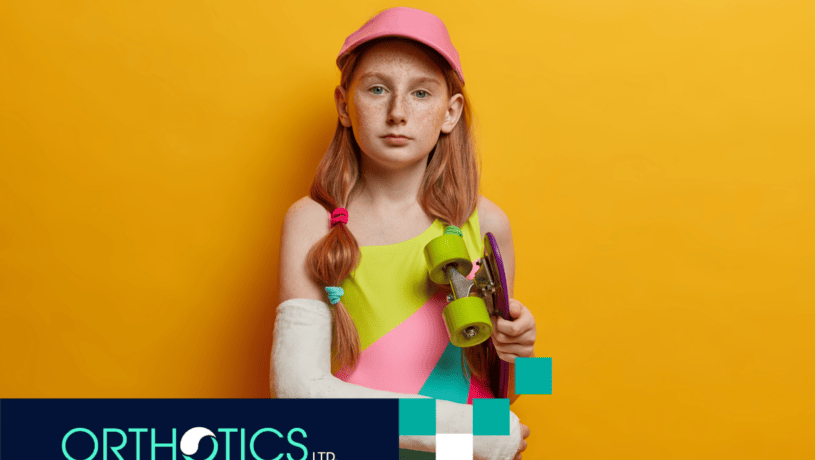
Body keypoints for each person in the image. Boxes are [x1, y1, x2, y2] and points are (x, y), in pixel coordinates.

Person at [271, 7, 537, 460]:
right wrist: (482, 435)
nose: (397, 112)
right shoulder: (310, 222)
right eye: (377, 89)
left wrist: (527, 355)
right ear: (344, 105)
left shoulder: (488, 224)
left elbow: (518, 396)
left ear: (449, 113)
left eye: (420, 93)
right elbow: (296, 396)